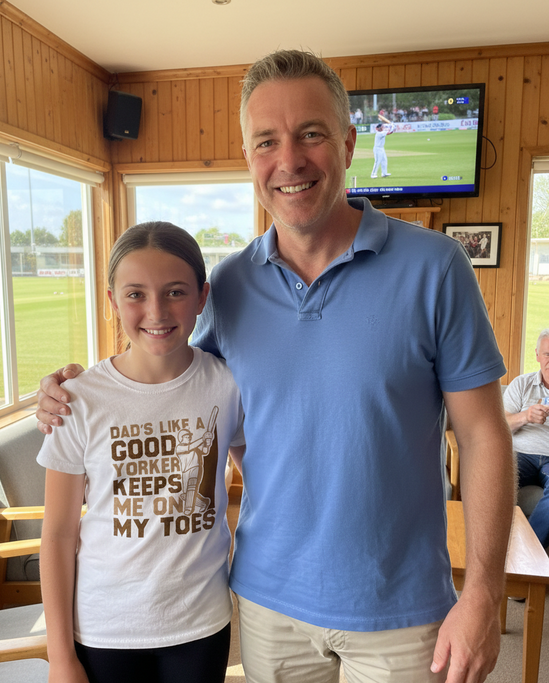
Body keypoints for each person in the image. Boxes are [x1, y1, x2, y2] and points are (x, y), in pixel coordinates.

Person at [36, 50, 514, 683]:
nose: (289, 160)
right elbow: (163, 369)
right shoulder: (229, 286)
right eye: (267, 141)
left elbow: (483, 432)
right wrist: (70, 392)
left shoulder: (435, 267)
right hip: (267, 606)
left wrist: (484, 589)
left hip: (401, 609)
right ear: (249, 158)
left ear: (347, 142)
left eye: (311, 133)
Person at [37, 222, 245, 683]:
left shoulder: (227, 384)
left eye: (175, 292)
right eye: (136, 294)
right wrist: (59, 656)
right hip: (105, 629)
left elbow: (265, 477)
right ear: (112, 300)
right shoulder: (76, 400)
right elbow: (56, 535)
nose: (156, 310)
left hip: (201, 622)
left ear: (202, 297)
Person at [503, 329, 549, 549]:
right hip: (521, 454)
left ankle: (527, 551)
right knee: (495, 479)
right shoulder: (521, 385)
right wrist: (526, 416)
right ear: (538, 355)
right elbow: (500, 425)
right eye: (547, 354)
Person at [371, 114, 395, 179]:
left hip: (381, 148)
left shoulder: (382, 132)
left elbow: (389, 131)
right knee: (377, 161)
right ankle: (373, 174)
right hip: (377, 149)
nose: (383, 127)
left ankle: (384, 173)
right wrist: (392, 126)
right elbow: (390, 132)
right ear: (379, 128)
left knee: (384, 160)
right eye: (382, 127)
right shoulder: (379, 133)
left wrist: (392, 126)